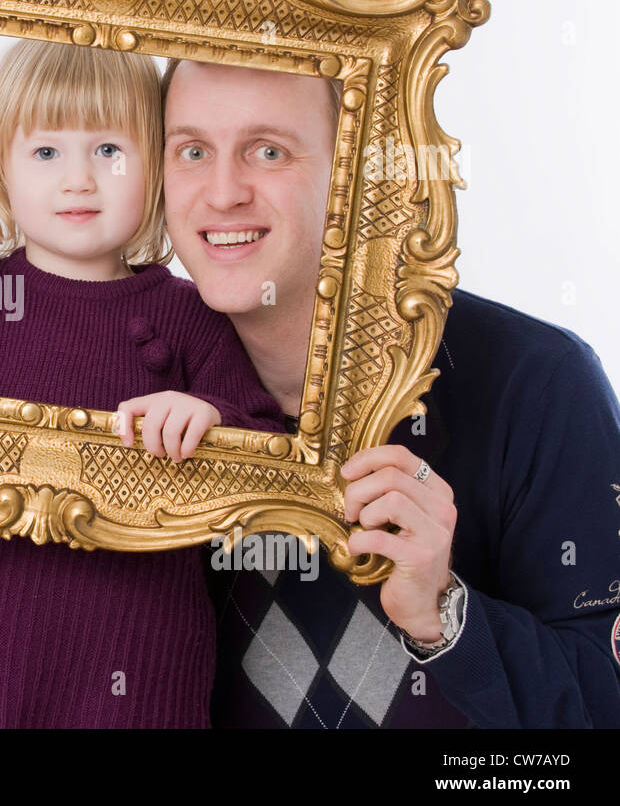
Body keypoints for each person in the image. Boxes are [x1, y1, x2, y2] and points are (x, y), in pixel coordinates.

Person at [161, 57, 620, 727]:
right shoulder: (135, 382)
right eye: (193, 151)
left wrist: (446, 614)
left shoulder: (537, 381)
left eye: (269, 151)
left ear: (354, 174)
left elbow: (603, 701)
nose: (223, 192)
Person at [0, 39, 285, 728]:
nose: (78, 181)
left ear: (156, 168)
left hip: (137, 679)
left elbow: (269, 444)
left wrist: (209, 419)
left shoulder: (191, 315)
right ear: (0, 169)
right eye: (46, 152)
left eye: (109, 151)